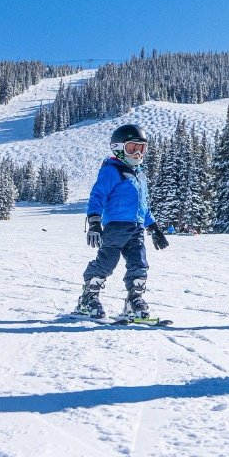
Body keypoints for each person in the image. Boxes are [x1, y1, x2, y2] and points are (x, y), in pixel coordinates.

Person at [74, 124, 169, 321]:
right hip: (115, 227)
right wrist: (94, 222)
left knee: (139, 263)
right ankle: (88, 297)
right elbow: (97, 196)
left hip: (137, 229)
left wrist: (154, 228)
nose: (137, 153)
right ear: (118, 148)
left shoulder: (139, 174)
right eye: (132, 148)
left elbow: (143, 206)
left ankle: (134, 300)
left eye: (141, 148)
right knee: (107, 262)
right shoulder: (112, 170)